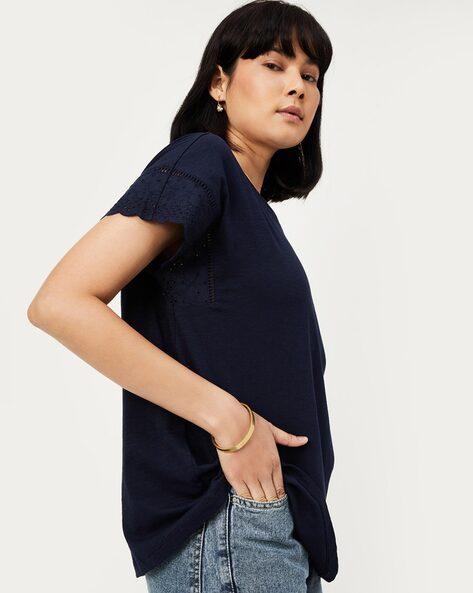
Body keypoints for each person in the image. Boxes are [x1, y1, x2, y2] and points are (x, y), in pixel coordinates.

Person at [27, 1, 338, 591]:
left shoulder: (252, 211)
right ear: (219, 83)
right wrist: (231, 423)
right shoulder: (203, 161)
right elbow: (61, 302)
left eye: (311, 75)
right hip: (229, 519)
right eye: (274, 65)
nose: (298, 86)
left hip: (273, 522)